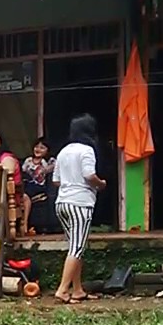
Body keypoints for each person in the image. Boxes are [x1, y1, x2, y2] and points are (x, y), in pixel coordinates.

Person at [53, 115, 107, 305]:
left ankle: (77, 290)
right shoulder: (87, 150)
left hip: (62, 203)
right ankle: (62, 290)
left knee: (74, 246)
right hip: (80, 203)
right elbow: (89, 175)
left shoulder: (63, 151)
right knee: (77, 247)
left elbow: (56, 180)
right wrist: (101, 184)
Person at [22, 138, 56, 235]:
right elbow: (23, 172)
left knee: (26, 194)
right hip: (28, 184)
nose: (38, 149)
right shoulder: (28, 160)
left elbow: (53, 167)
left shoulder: (49, 161)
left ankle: (25, 224)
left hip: (40, 186)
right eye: (36, 147)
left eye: (42, 148)